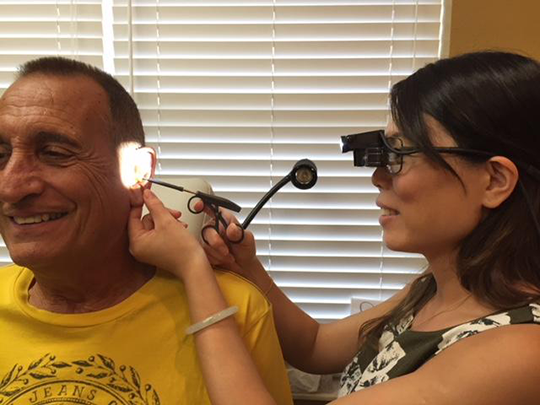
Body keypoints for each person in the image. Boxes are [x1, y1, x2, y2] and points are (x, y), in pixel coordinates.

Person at [128, 50, 540, 405]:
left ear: (494, 181)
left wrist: (192, 270)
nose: (379, 176)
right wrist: (245, 268)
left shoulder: (520, 352)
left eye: (399, 154)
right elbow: (315, 347)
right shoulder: (435, 290)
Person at [0, 56, 293, 405]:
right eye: (0, 154)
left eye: (54, 153)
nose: (11, 187)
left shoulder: (237, 312)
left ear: (138, 172)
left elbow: (319, 346)